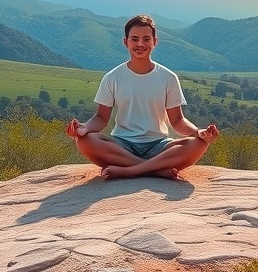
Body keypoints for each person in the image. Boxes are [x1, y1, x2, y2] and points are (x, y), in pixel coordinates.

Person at [66, 13, 219, 179]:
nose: (140, 44)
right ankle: (155, 170)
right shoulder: (113, 77)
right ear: (126, 42)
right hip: (122, 144)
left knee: (198, 144)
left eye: (146, 39)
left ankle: (129, 170)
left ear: (155, 42)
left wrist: (199, 132)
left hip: (159, 145)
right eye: (134, 39)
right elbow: (101, 118)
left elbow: (177, 121)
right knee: (85, 141)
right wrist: (84, 128)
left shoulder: (168, 77)